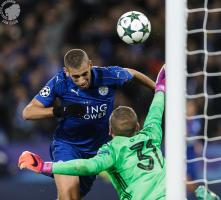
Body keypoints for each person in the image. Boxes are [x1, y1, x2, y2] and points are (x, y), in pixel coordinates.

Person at [22, 48, 155, 200]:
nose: (82, 80)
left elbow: (133, 73)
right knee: (69, 197)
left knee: (73, 197)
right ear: (67, 72)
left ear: (90, 65)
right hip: (67, 145)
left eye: (85, 74)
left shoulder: (107, 75)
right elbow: (28, 112)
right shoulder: (60, 82)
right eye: (76, 76)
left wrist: (157, 89)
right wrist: (61, 110)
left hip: (97, 152)